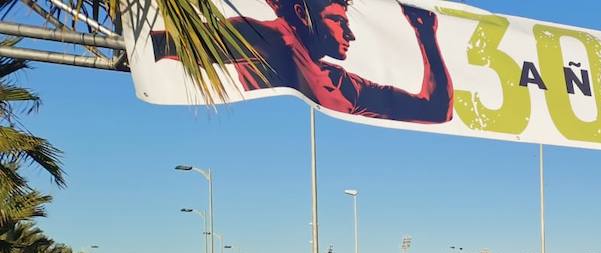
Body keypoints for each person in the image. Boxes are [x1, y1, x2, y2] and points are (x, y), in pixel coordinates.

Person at [152, 0, 453, 123]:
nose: (350, 34)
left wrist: (425, 35)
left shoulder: (341, 83)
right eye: (337, 21)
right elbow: (164, 43)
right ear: (300, 12)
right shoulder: (269, 37)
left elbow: (436, 110)